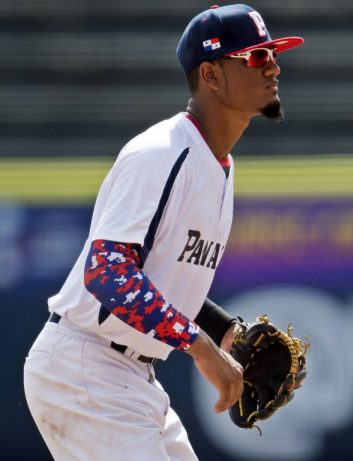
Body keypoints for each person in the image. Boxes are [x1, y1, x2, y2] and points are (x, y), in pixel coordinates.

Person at [23, 4, 304, 460]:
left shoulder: (219, 165)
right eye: (254, 57)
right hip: (86, 369)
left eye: (272, 53)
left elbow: (161, 273)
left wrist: (226, 332)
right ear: (210, 75)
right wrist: (204, 349)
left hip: (129, 378)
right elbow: (107, 272)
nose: (273, 65)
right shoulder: (161, 153)